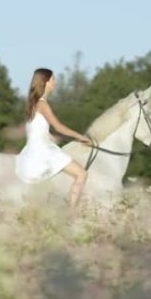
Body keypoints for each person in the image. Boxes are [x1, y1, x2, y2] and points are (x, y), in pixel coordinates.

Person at [15, 68, 92, 208]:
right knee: (82, 174)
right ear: (46, 82)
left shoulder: (33, 103)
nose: (55, 83)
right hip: (43, 151)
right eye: (53, 80)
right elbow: (59, 127)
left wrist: (51, 137)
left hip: (33, 149)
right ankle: (71, 211)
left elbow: (35, 129)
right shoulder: (43, 104)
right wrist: (81, 137)